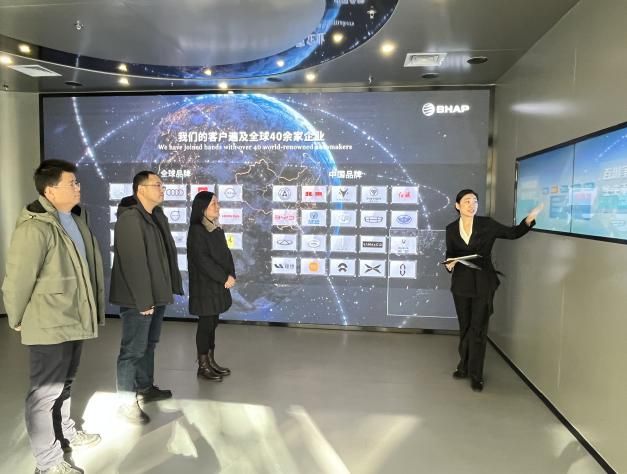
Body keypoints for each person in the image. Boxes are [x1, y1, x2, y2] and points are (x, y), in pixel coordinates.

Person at [2, 160, 104, 474]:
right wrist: (16, 317)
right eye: (72, 183)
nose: (78, 187)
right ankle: (47, 463)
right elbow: (18, 279)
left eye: (77, 182)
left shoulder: (75, 219)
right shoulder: (35, 228)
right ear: (50, 190)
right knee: (44, 394)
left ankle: (65, 433)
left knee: (66, 384)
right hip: (49, 322)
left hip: (74, 317)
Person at [444, 189, 543, 392]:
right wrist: (449, 263)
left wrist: (528, 220)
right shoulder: (451, 229)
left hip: (483, 282)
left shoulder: (487, 224)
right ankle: (463, 366)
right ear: (457, 206)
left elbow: (512, 233)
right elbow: (451, 253)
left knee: (478, 329)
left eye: (475, 201)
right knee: (465, 327)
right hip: (461, 284)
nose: (472, 205)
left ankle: (476, 374)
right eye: (467, 201)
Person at [110, 171, 183, 424]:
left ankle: (145, 387)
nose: (162, 189)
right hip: (139, 299)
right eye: (157, 185)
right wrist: (143, 300)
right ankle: (126, 401)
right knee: (132, 350)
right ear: (140, 189)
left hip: (156, 294)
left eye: (162, 185)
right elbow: (134, 263)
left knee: (149, 344)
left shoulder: (156, 215)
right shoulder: (130, 219)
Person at [187, 191, 235, 381]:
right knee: (206, 325)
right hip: (205, 287)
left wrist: (231, 274)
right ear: (203, 208)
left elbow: (226, 255)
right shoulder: (197, 230)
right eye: (214, 203)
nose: (218, 206)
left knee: (213, 323)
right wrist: (223, 277)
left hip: (217, 285)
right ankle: (203, 366)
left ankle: (211, 361)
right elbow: (203, 261)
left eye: (217, 202)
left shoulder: (215, 228)